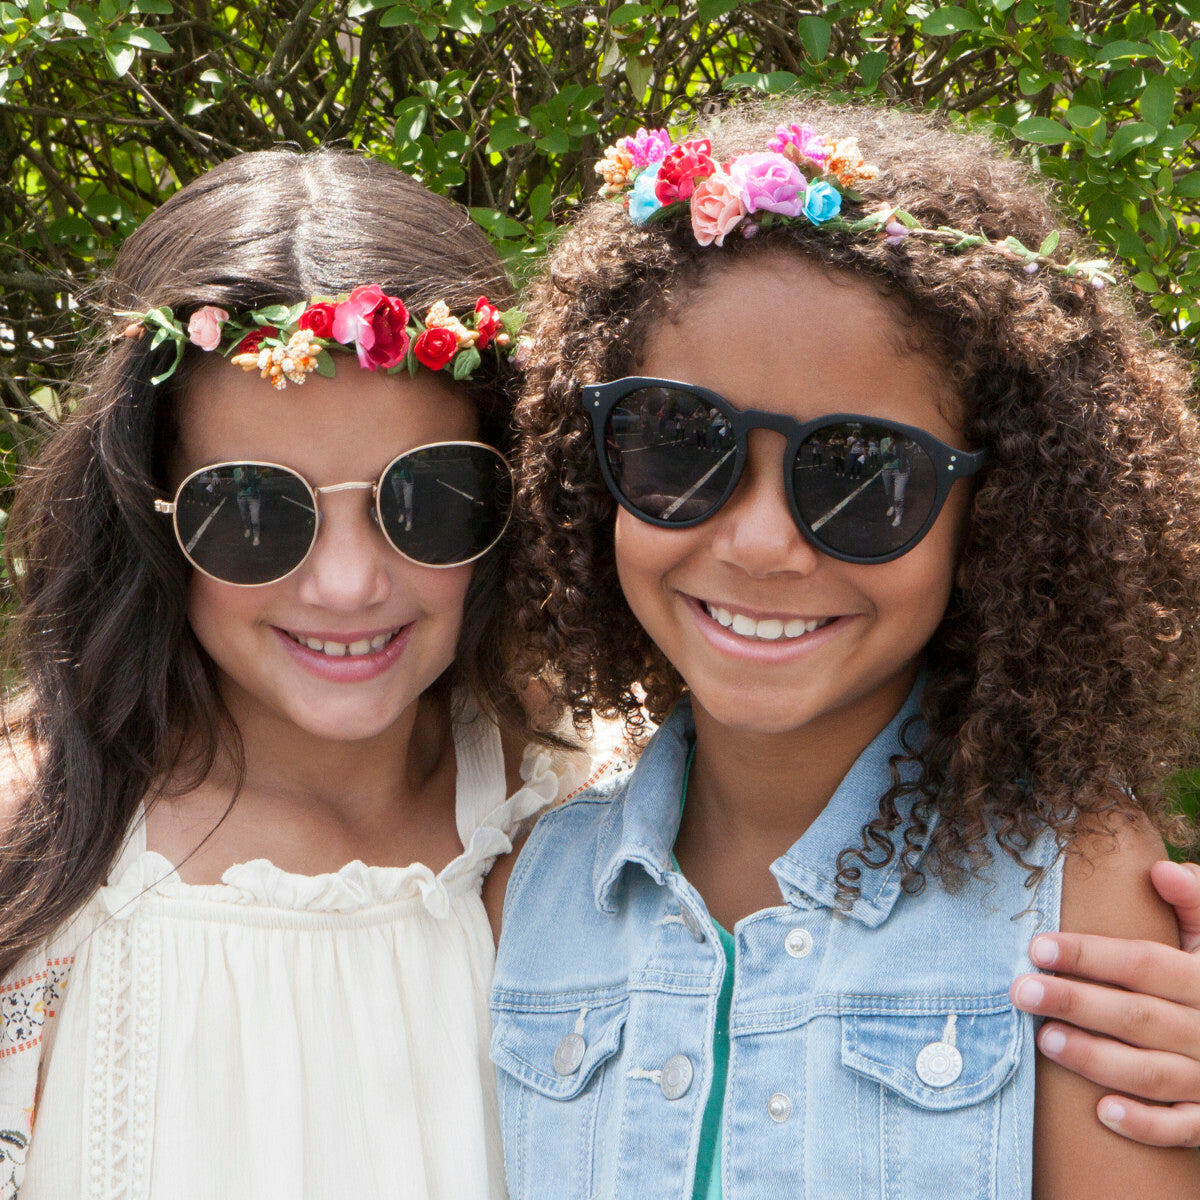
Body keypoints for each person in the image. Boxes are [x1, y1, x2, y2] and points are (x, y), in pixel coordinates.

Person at [492, 101, 1200, 1197]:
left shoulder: (1075, 890)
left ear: (996, 518)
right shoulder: (528, 893)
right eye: (682, 444)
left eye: (864, 474)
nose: (762, 542)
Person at [0, 148, 609, 1199]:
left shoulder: (582, 809)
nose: (345, 584)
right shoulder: (33, 846)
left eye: (427, 497)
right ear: (149, 514)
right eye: (252, 511)